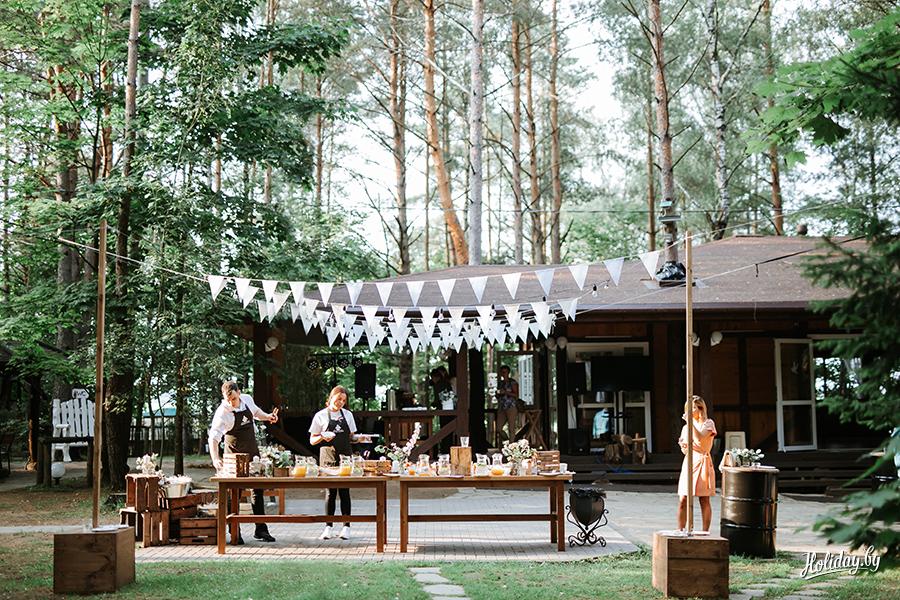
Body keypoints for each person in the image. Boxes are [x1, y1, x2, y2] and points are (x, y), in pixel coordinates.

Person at [208, 381, 279, 543]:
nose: (231, 402)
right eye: (228, 400)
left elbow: (256, 412)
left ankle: (261, 529)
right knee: (234, 494)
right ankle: (235, 532)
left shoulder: (247, 399)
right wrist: (215, 459)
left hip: (253, 454)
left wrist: (268, 417)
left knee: (257, 490)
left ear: (239, 393)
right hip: (234, 458)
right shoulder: (222, 413)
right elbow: (213, 438)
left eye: (233, 398)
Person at [309, 385, 359, 541]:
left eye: (343, 400)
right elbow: (312, 440)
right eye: (338, 399)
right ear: (331, 398)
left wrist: (361, 438)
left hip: (345, 457)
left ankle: (346, 527)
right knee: (330, 492)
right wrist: (322, 436)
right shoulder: (320, 416)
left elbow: (351, 437)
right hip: (327, 457)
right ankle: (328, 527)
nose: (341, 403)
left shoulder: (348, 415)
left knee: (345, 491)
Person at [677, 395, 717, 532]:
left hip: (702, 461)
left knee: (704, 499)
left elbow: (700, 438)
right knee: (683, 498)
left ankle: (705, 531)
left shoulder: (708, 423)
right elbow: (685, 449)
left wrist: (690, 424)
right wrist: (683, 446)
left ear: (701, 408)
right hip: (689, 461)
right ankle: (681, 530)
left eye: (693, 408)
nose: (690, 411)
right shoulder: (685, 428)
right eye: (688, 408)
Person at [430, 367, 455, 452]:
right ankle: (448, 449)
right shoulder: (447, 383)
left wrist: (433, 404)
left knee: (444, 431)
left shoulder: (438, 385)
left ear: (435, 377)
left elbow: (438, 400)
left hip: (444, 411)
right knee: (449, 432)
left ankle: (445, 449)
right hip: (450, 410)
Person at [495, 365, 519, 445]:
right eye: (502, 372)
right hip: (502, 407)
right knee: (498, 428)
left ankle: (512, 446)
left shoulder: (512, 382)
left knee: (511, 428)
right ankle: (507, 440)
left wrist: (505, 392)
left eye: (505, 372)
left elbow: (516, 395)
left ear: (508, 372)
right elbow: (498, 395)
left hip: (511, 406)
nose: (503, 374)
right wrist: (497, 394)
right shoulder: (500, 383)